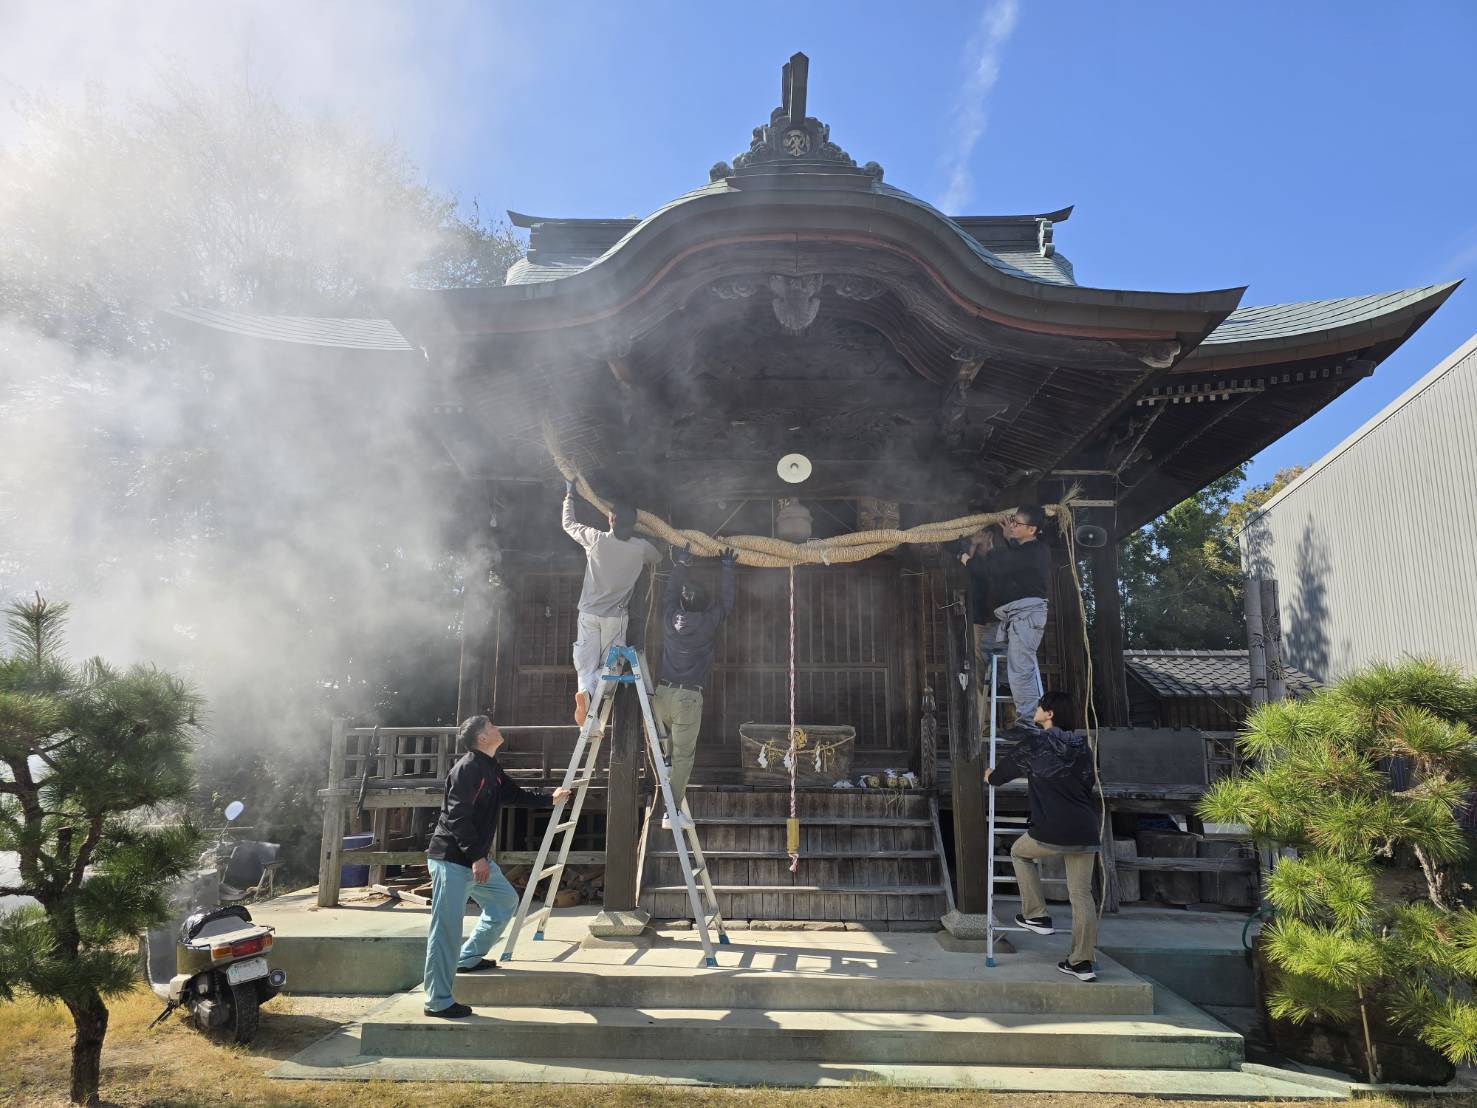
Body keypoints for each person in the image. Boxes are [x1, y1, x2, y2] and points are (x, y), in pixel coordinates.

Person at [422, 715, 572, 1018]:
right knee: (446, 930)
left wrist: (549, 800)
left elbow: (514, 795)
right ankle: (437, 1002)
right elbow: (458, 817)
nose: (497, 728)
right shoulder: (467, 769)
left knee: (505, 901)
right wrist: (476, 857)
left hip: (474, 858)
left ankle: (468, 958)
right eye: (491, 726)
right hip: (452, 859)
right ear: (482, 738)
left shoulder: (491, 768)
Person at [984, 690, 1101, 982]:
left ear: (1049, 714)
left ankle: (1036, 914)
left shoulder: (1035, 744)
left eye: (1039, 707)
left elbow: (1000, 776)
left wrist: (988, 775)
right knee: (1081, 895)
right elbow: (1087, 782)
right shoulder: (1082, 747)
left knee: (1019, 853)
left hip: (1051, 826)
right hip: (1085, 826)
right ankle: (1082, 963)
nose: (1035, 710)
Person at [562, 481, 660, 725]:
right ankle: (589, 695)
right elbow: (658, 557)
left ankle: (586, 698)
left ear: (610, 519)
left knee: (584, 667)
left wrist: (569, 495)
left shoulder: (595, 539)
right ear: (633, 524)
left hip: (588, 614)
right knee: (612, 670)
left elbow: (568, 524)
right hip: (614, 618)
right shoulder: (640, 548)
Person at [655, 544, 737, 829]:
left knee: (671, 749)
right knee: (684, 757)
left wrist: (681, 563)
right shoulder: (706, 622)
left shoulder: (669, 617)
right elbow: (726, 603)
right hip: (687, 699)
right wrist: (727, 568)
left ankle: (666, 760)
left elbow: (669, 593)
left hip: (661, 695)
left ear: (682, 603)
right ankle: (672, 811)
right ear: (703, 605)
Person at [963, 504, 1050, 734]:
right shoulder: (1028, 550)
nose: (1011, 526)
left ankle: (1027, 723)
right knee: (997, 653)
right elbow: (1010, 557)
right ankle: (1003, 694)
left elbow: (992, 569)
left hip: (1025, 616)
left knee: (1021, 670)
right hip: (1014, 617)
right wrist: (1007, 537)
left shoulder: (1033, 551)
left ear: (1031, 529)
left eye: (1016, 523)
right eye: (1011, 522)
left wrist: (967, 560)